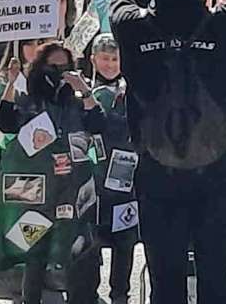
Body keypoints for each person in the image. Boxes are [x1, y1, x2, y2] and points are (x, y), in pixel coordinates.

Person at [108, 0, 226, 303]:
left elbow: (121, 0)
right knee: (216, 270)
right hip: (218, 171)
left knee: (166, 275)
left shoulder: (133, 27)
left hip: (158, 170)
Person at [0, 40, 104, 304]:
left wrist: (85, 91)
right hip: (38, 192)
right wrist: (11, 82)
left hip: (72, 188)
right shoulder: (29, 98)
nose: (58, 71)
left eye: (64, 66)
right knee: (34, 250)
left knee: (79, 247)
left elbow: (98, 123)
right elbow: (5, 123)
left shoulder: (76, 100)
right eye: (52, 66)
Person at [86, 36, 138, 304]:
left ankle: (120, 294)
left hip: (125, 182)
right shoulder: (82, 90)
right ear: (93, 59)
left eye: (115, 59)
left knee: (124, 241)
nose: (109, 64)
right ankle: (89, 291)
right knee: (91, 241)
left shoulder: (134, 91)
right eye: (104, 58)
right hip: (93, 181)